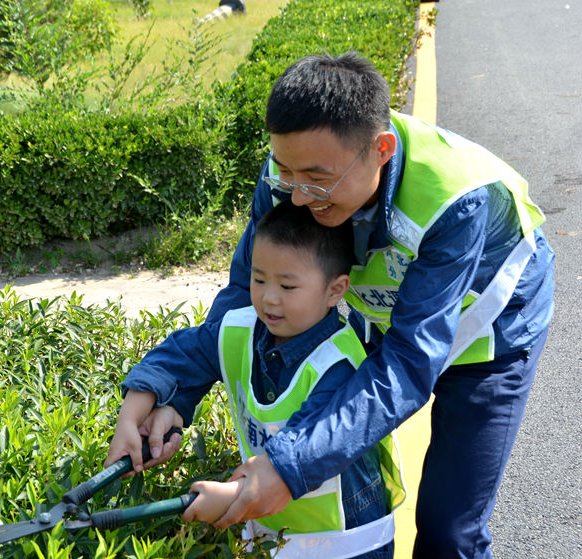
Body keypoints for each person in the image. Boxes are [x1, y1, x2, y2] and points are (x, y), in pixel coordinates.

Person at [111, 52, 555, 559]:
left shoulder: (457, 200)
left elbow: (409, 364)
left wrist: (285, 470)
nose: (297, 198)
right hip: (387, 314)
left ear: (381, 150)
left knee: (448, 529)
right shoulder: (296, 169)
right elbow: (242, 303)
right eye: (284, 172)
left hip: (489, 331)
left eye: (317, 180)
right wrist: (172, 394)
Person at [108, 200, 405, 559]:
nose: (268, 298)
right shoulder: (240, 329)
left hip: (350, 543)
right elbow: (180, 355)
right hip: (274, 534)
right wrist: (130, 417)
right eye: (259, 278)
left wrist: (230, 498)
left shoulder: (340, 364)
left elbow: (307, 442)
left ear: (335, 290)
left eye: (288, 286)